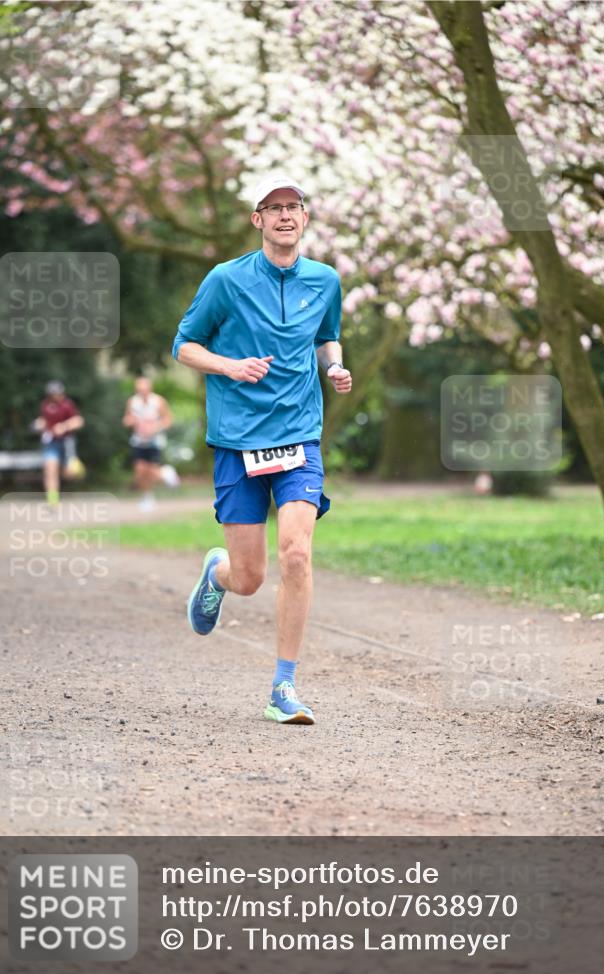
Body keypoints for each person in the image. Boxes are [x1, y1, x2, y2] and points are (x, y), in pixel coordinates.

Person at [172, 175, 352, 725]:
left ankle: (283, 686)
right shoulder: (225, 280)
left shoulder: (324, 280)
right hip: (238, 440)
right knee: (249, 578)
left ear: (305, 217)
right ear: (257, 220)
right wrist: (230, 367)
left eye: (292, 207)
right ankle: (218, 574)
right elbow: (184, 345)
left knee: (297, 553)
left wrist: (334, 365)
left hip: (299, 434)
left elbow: (326, 336)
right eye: (272, 209)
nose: (284, 216)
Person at [123, 376, 180, 512]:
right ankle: (147, 498)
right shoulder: (132, 402)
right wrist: (132, 421)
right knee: (140, 471)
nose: (142, 392)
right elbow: (126, 419)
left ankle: (167, 473)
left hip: (155, 441)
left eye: (145, 389)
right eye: (139, 390)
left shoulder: (158, 401)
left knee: (152, 472)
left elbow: (169, 419)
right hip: (138, 441)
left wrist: (155, 427)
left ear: (150, 389)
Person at [32, 380, 85, 506]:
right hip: (51, 442)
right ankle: (52, 500)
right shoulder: (45, 405)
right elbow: (45, 421)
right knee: (50, 469)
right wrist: (39, 424)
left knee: (69, 473)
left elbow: (79, 421)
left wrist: (64, 426)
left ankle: (78, 469)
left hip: (67, 442)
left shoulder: (67, 405)